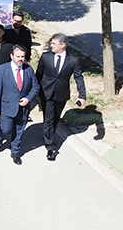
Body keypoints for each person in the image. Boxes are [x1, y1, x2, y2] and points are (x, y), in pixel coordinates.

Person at [35, 33, 86, 161]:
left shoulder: (73, 60)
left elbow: (78, 77)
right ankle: (50, 147)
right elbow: (38, 74)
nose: (51, 45)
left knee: (56, 118)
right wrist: (35, 91)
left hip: (61, 94)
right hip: (46, 93)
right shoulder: (46, 57)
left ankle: (48, 135)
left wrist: (82, 95)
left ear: (62, 45)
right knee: (48, 119)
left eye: (53, 43)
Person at [0, 45, 39, 165]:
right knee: (6, 129)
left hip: (23, 108)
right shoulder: (2, 70)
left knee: (19, 130)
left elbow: (35, 87)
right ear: (11, 56)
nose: (20, 59)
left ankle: (15, 152)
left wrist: (28, 98)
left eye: (22, 56)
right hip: (7, 107)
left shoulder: (28, 70)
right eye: (18, 56)